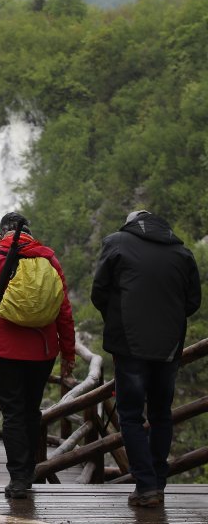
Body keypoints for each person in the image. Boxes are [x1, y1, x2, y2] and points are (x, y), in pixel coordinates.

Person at [91, 210, 201, 507]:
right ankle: (158, 484)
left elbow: (99, 293)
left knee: (129, 416)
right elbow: (193, 302)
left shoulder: (116, 243)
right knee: (161, 414)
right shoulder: (182, 253)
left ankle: (147, 486)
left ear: (128, 224)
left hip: (129, 345)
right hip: (168, 348)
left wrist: (117, 317)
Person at [0, 212, 75, 499]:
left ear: (3, 232)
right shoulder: (49, 260)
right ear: (28, 231)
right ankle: (29, 470)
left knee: (13, 412)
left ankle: (18, 478)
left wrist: (3, 320)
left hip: (5, 350)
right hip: (42, 352)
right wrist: (69, 351)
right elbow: (64, 311)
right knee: (31, 409)